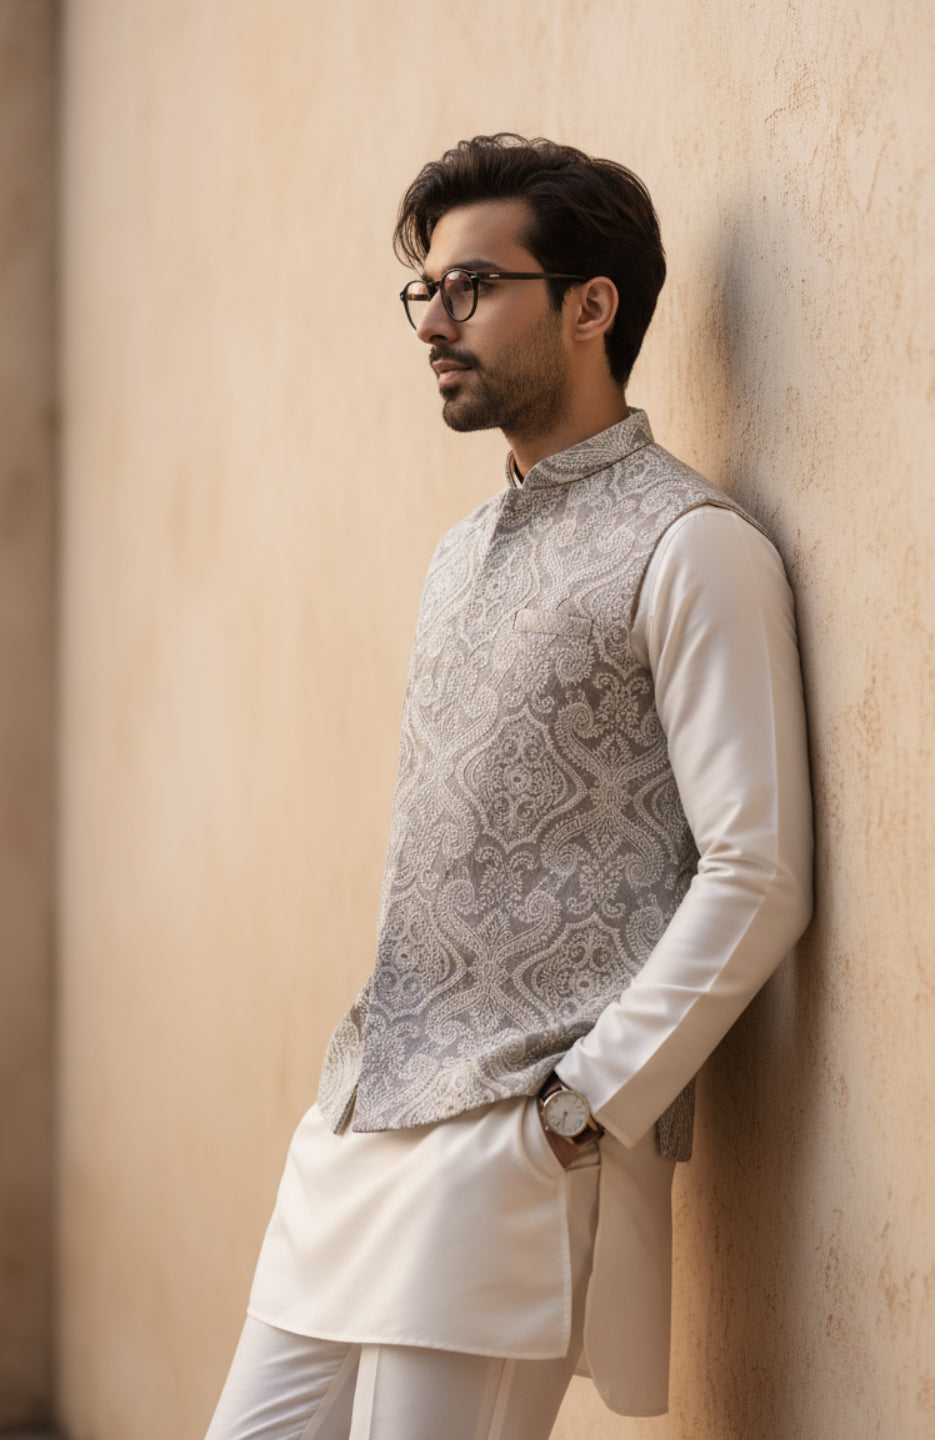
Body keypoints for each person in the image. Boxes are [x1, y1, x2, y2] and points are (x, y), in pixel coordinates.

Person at [205, 133, 814, 1440]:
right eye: (427, 292)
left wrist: (583, 1108)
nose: (436, 322)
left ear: (591, 306)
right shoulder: (457, 554)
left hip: (514, 1141)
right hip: (357, 1119)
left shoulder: (693, 547)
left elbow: (759, 870)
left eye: (473, 287)